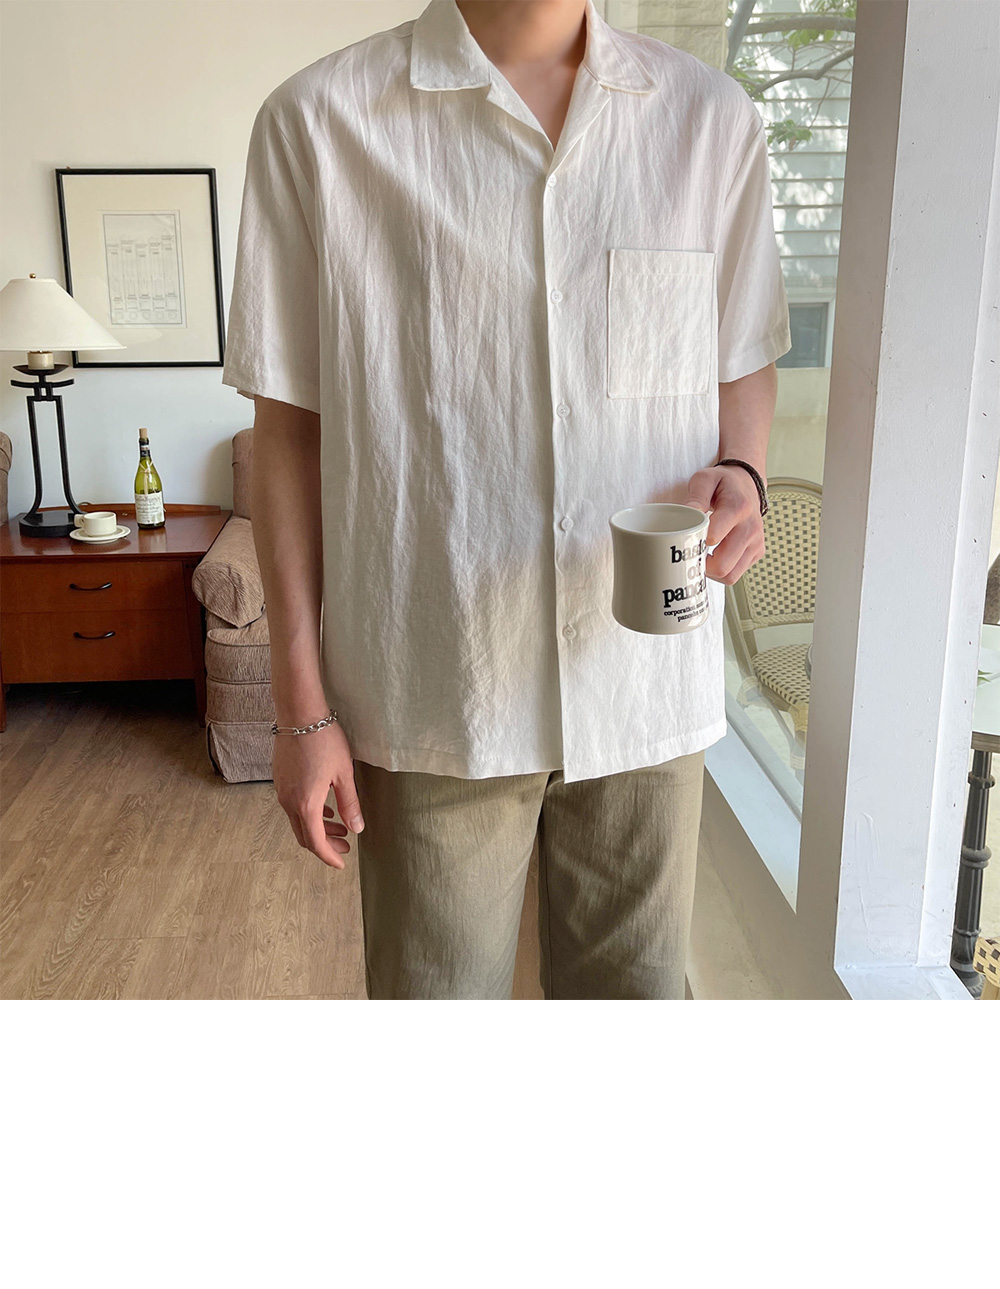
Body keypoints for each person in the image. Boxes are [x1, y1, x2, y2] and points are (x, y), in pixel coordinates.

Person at [221, 0, 791, 999]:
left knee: (634, 1014)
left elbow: (739, 359)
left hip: (644, 681)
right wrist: (300, 712)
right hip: (435, 687)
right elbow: (289, 433)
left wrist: (742, 472)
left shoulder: (709, 121)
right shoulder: (320, 121)